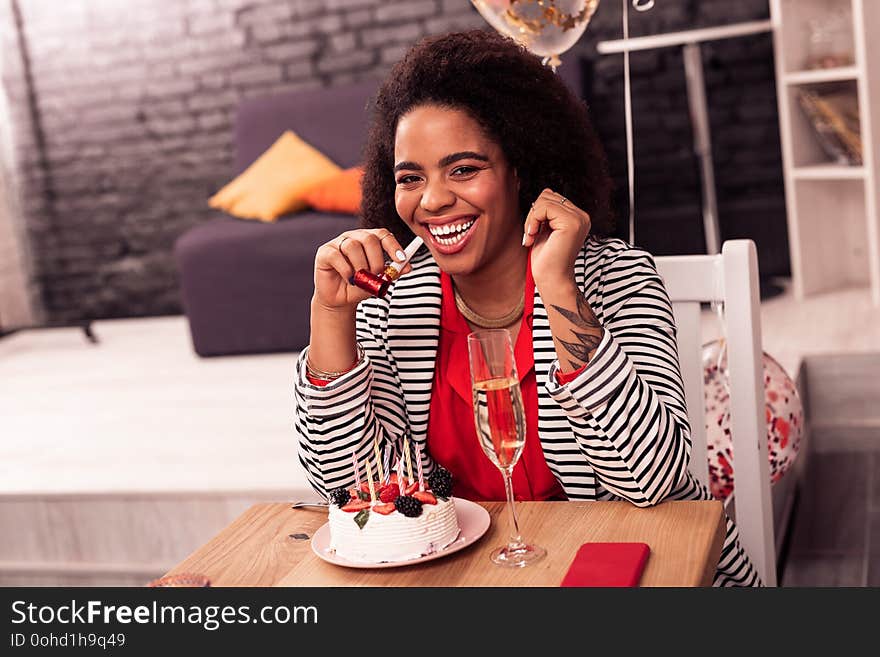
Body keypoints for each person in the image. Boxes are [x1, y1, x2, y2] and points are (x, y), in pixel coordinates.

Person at [293, 30, 760, 586]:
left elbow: (651, 481)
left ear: (520, 169)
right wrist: (330, 317)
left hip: (634, 567)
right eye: (410, 178)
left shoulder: (615, 277)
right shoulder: (394, 303)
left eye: (463, 169)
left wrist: (557, 285)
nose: (433, 199)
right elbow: (347, 489)